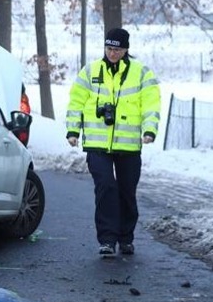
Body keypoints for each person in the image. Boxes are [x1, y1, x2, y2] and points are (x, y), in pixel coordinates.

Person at [65, 28, 161, 257]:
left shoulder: (141, 73)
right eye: (109, 48)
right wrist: (73, 130)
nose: (112, 53)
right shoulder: (90, 71)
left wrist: (149, 130)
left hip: (128, 145)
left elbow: (151, 104)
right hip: (98, 143)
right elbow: (76, 102)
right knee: (106, 187)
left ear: (126, 49)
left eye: (117, 49)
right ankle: (107, 239)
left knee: (127, 191)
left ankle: (126, 238)